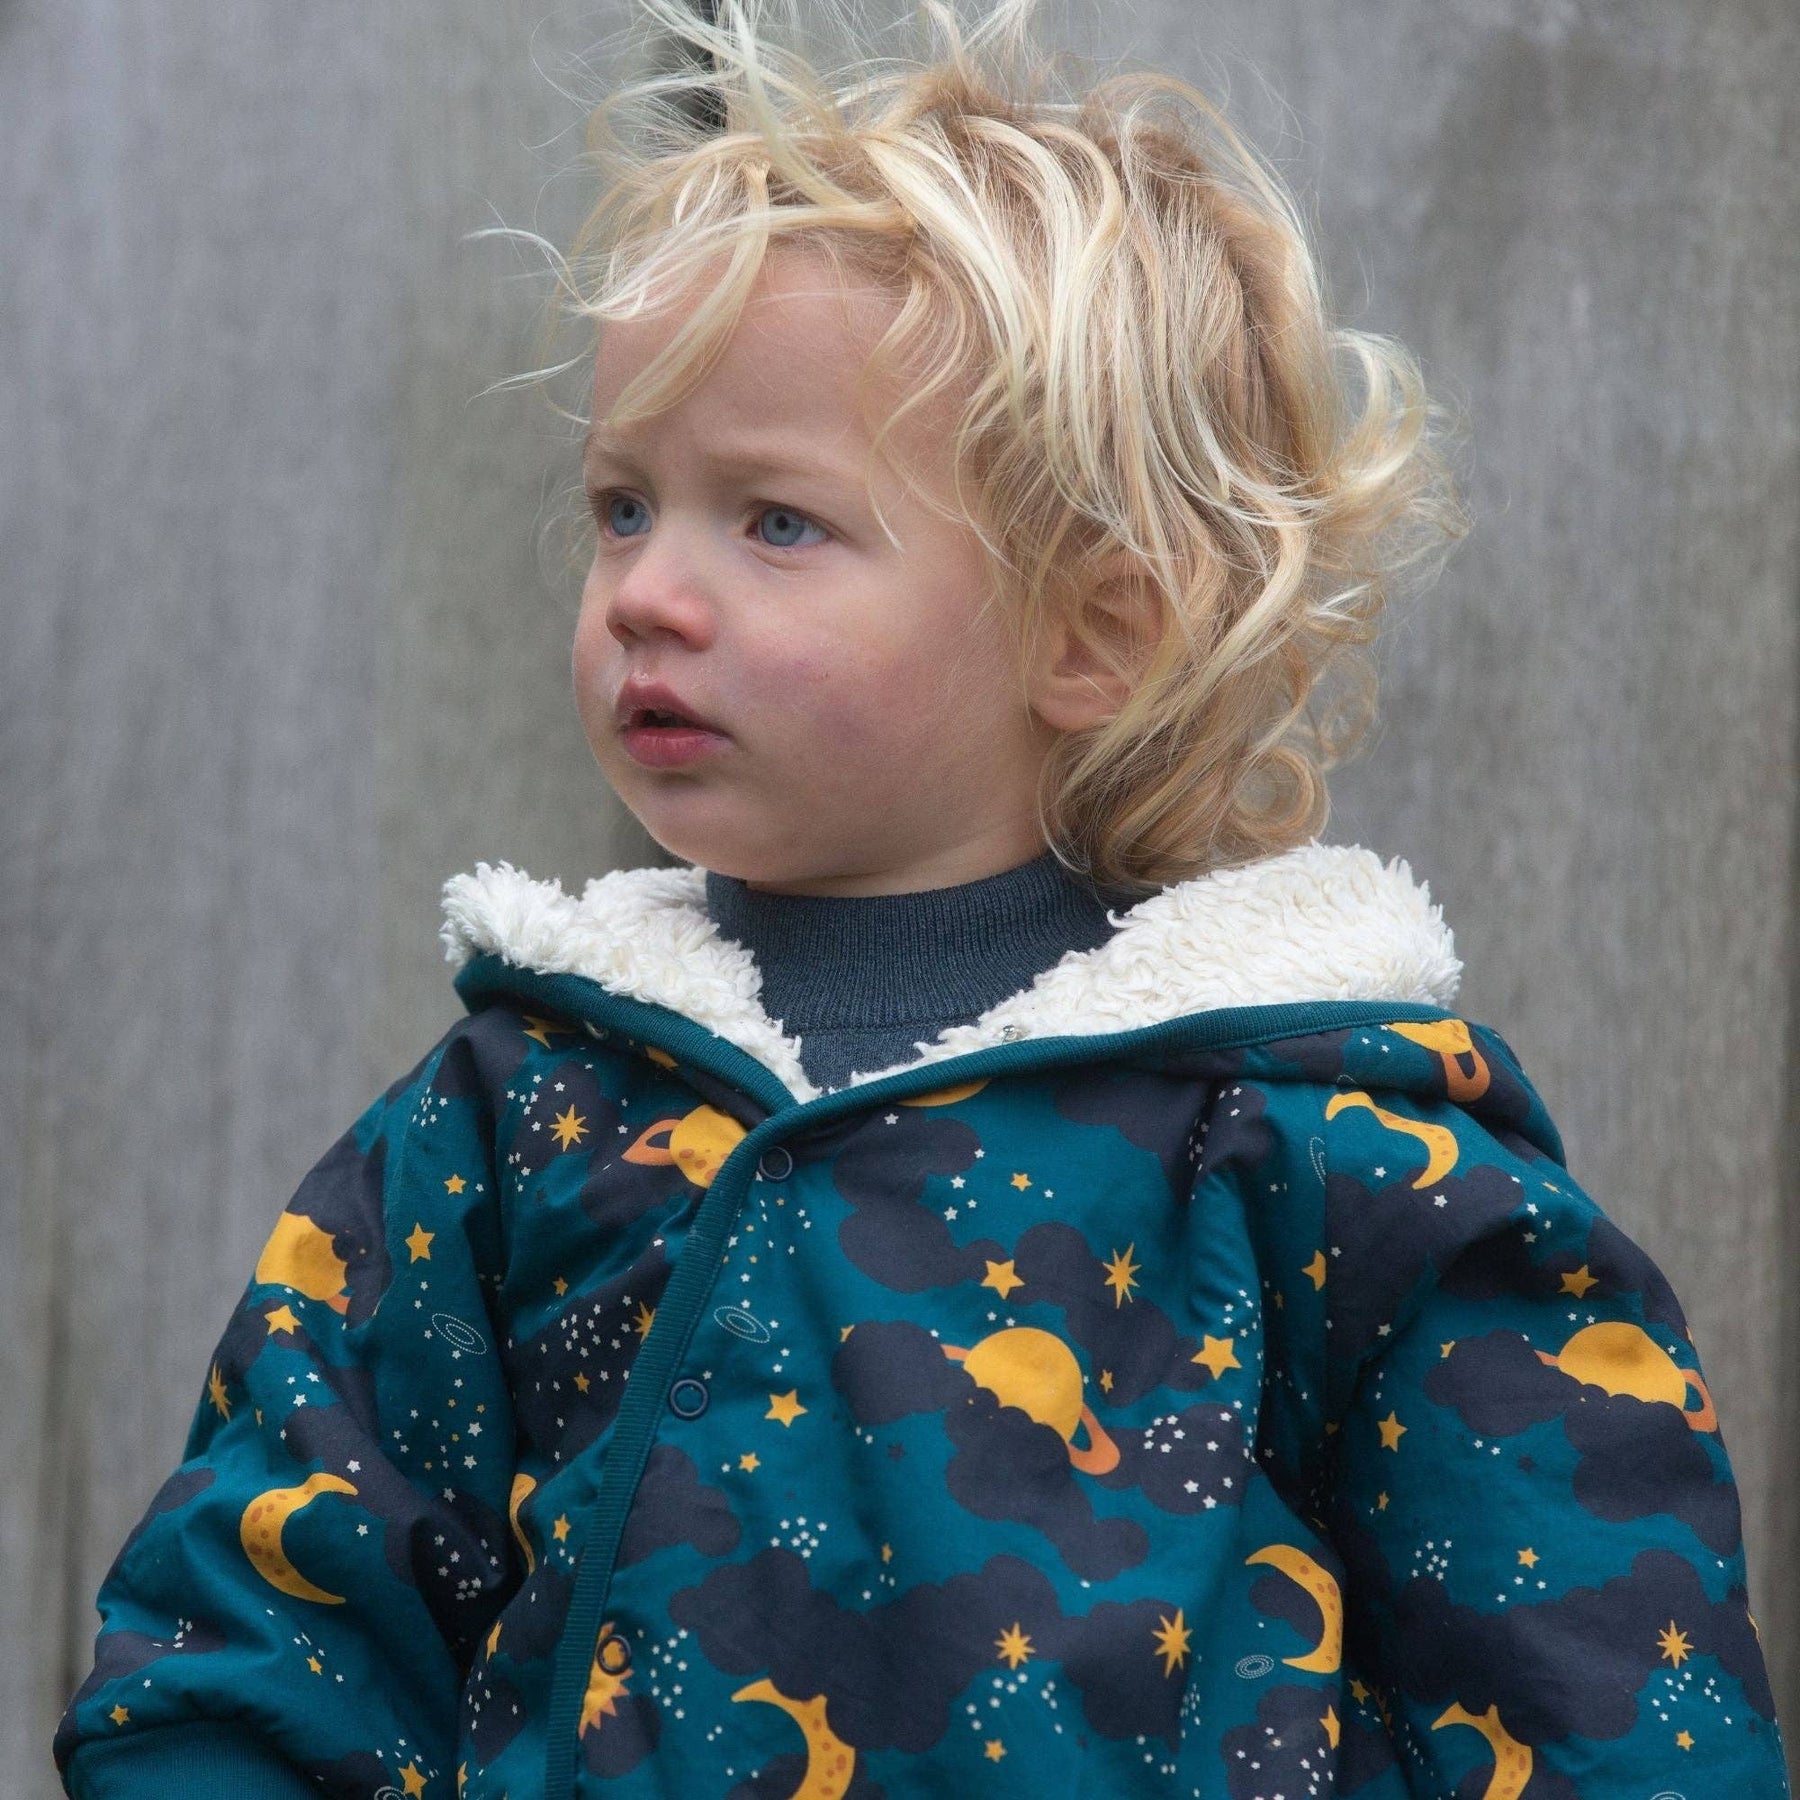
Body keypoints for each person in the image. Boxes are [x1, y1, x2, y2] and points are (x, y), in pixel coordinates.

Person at [57, 1, 1789, 1796]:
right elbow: (265, 1634)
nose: (646, 591)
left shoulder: (1326, 1147)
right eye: (625, 507)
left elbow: (1608, 1696)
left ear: (1093, 633)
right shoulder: (513, 1120)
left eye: (776, 522)